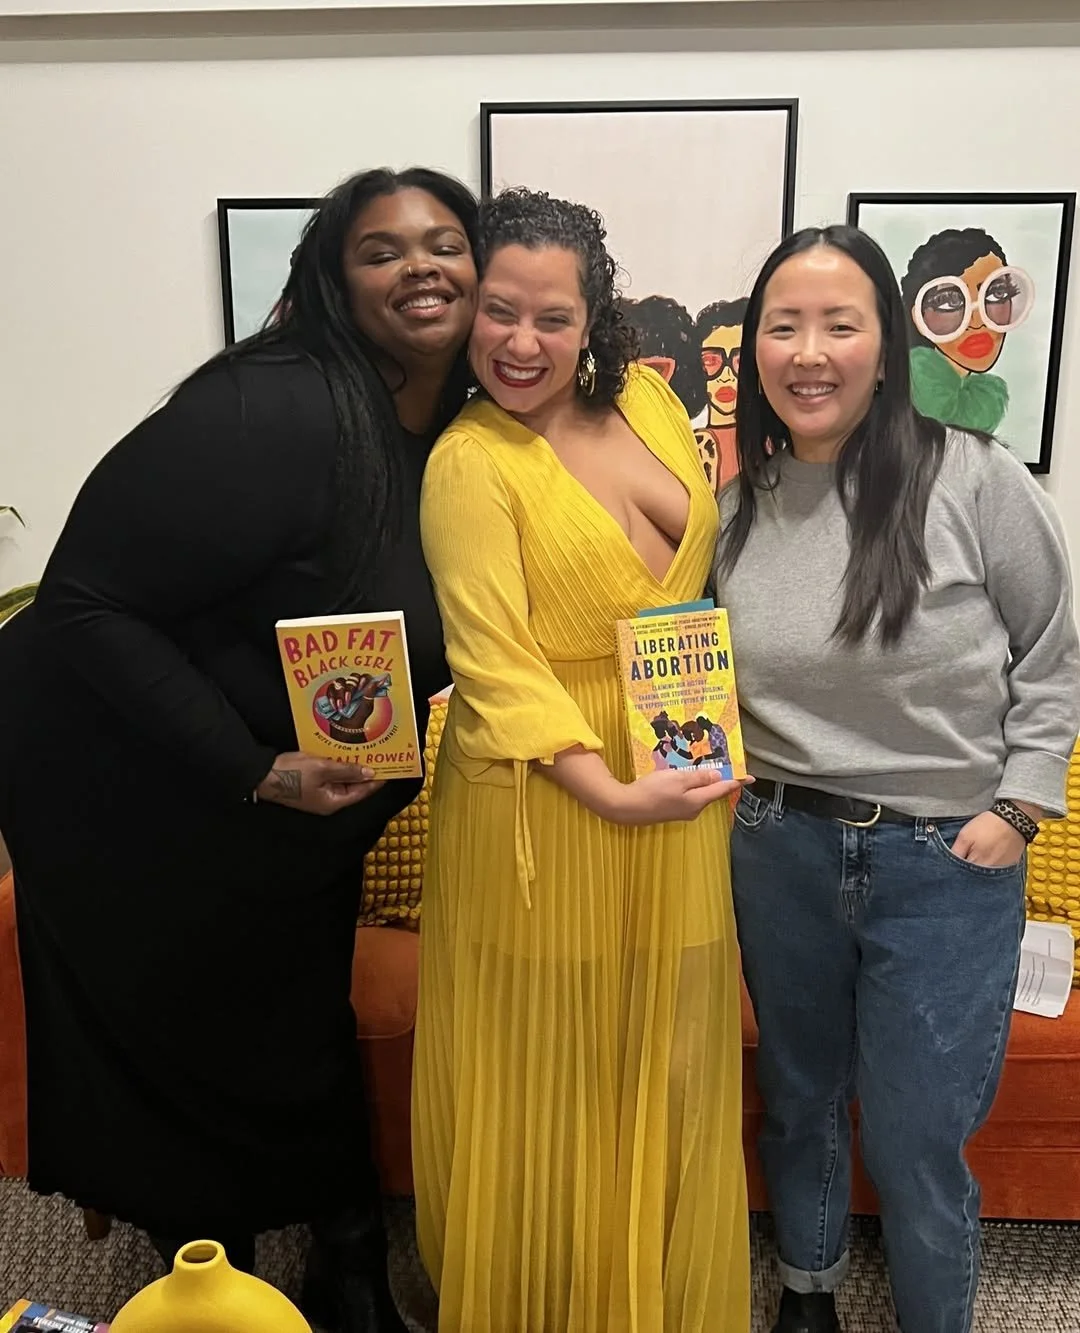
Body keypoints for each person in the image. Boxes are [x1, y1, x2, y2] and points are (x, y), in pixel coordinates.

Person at [0, 165, 479, 1333]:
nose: (419, 265)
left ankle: (342, 1258)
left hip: (294, 794)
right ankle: (211, 1281)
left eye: (444, 241)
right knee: (197, 1025)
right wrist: (252, 767)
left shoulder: (459, 432)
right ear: (332, 280)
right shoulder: (278, 408)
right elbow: (84, 603)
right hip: (131, 771)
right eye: (380, 249)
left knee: (294, 1015)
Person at [711, 223, 1080, 1333]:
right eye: (784, 326)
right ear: (756, 349)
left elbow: (1053, 650)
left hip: (943, 859)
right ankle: (808, 1294)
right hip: (780, 847)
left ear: (885, 347)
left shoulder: (974, 478)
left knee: (919, 1130)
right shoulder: (738, 503)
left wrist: (1019, 808)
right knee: (800, 1097)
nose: (808, 352)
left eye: (840, 323)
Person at [411, 187, 751, 1332]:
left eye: (551, 317)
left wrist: (717, 729)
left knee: (670, 1055)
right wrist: (610, 790)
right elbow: (493, 660)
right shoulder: (469, 460)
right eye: (498, 311)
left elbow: (697, 594)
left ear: (592, 317)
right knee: (549, 1065)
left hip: (673, 765)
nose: (521, 341)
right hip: (550, 794)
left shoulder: (650, 400)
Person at [900, 226, 1034, 434]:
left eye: (996, 294)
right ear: (918, 317)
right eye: (949, 302)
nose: (977, 322)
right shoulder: (916, 383)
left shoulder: (984, 395)